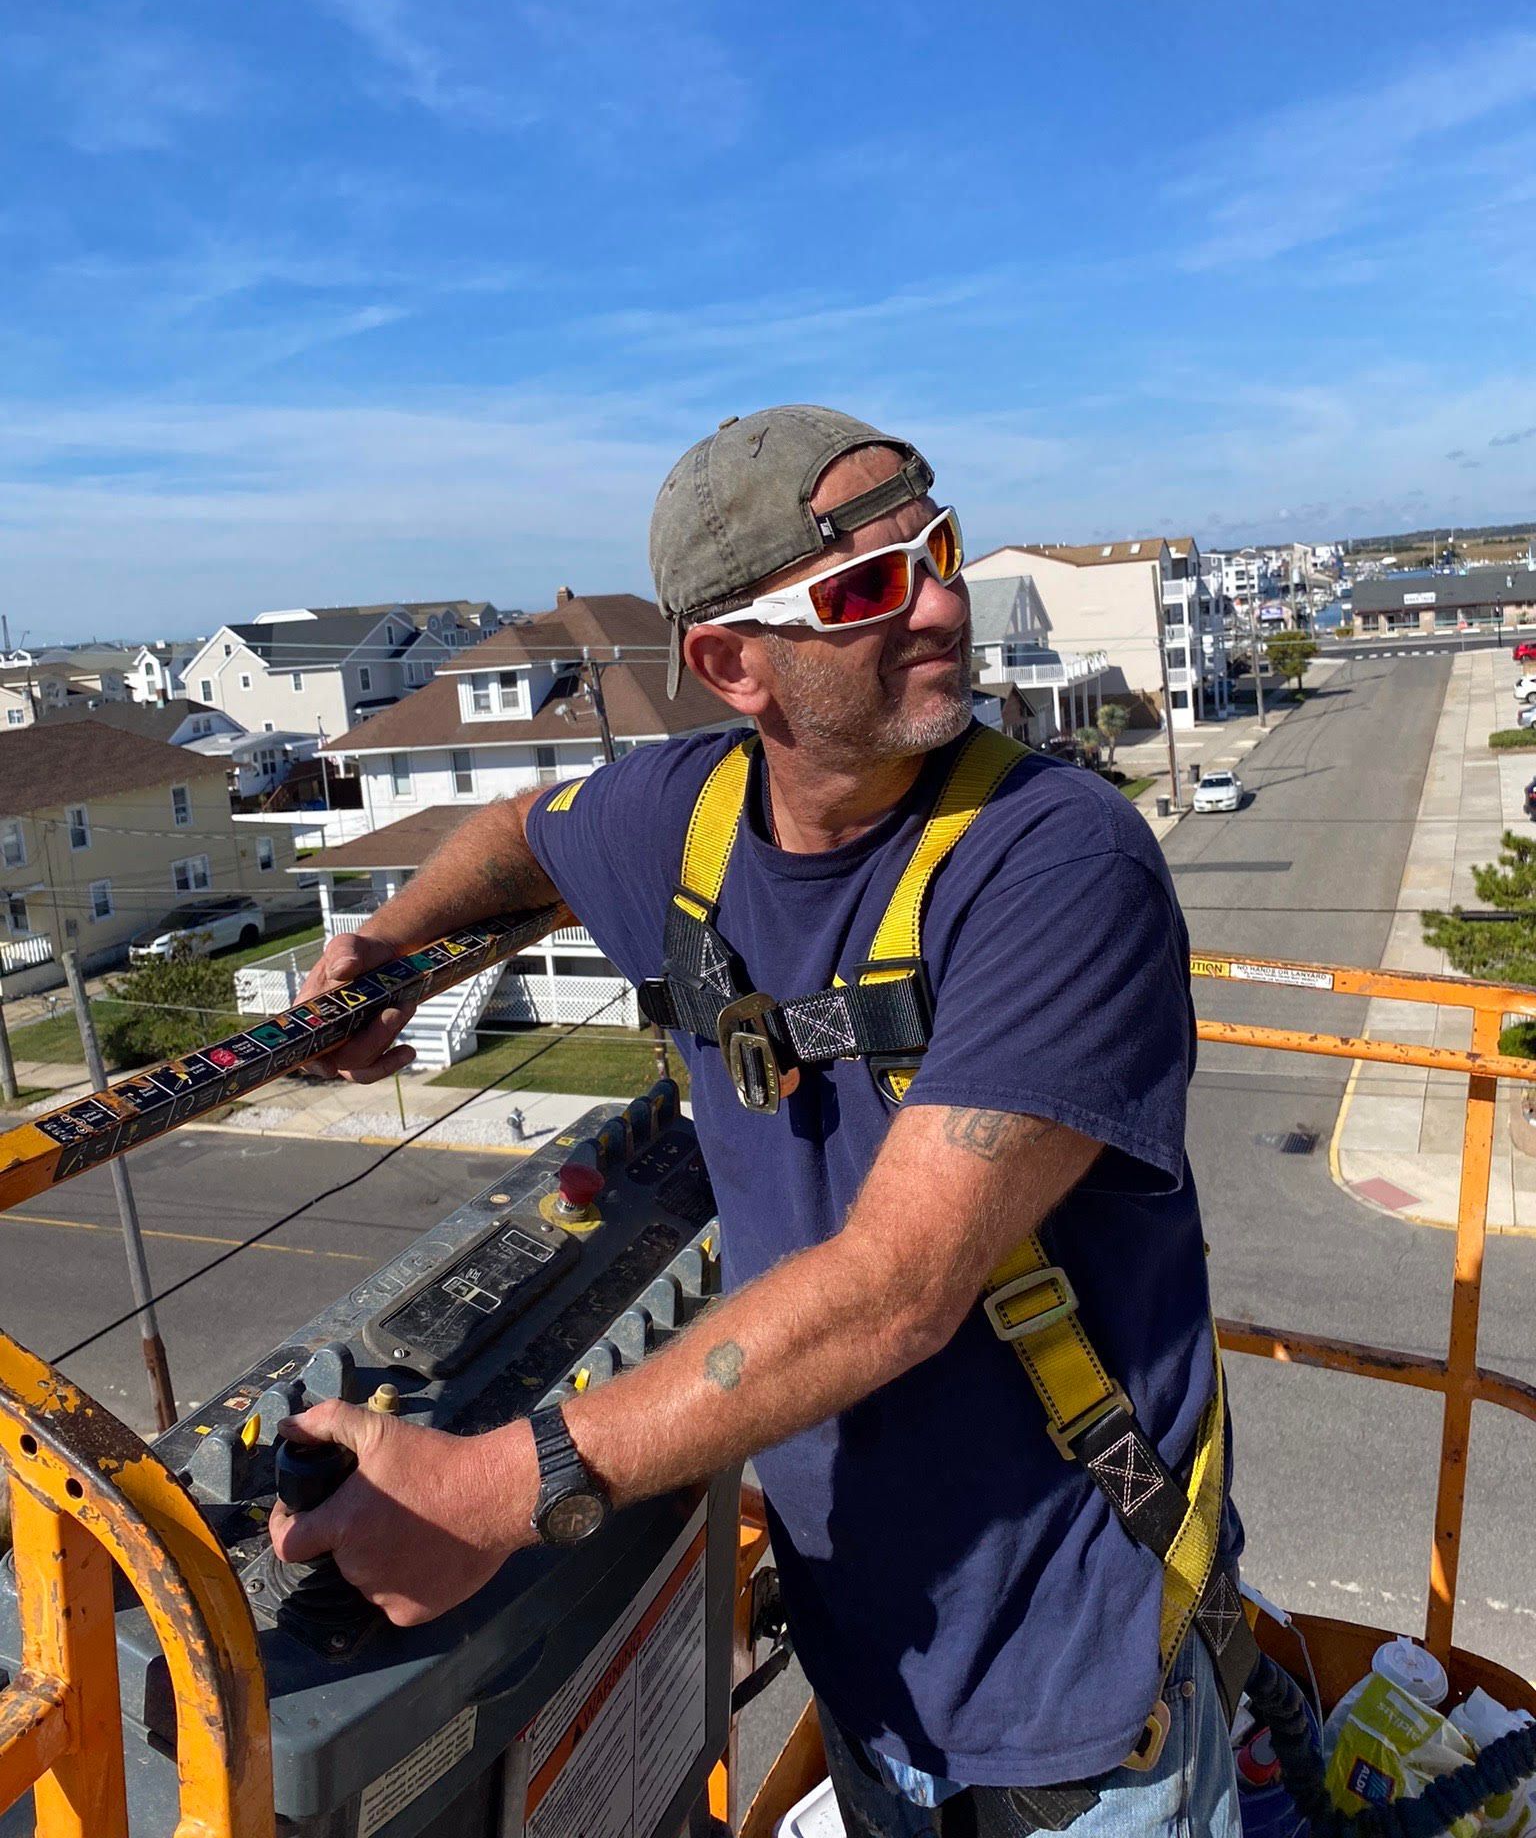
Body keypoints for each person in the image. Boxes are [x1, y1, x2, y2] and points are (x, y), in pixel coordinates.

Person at [271, 406, 1244, 1837]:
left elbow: (898, 1290)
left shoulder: (1059, 863)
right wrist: (380, 954)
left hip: (1073, 1692)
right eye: (865, 591)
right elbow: (524, 830)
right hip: (869, 1648)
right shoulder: (690, 817)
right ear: (734, 667)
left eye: (940, 549)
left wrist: (501, 1489)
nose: (941, 605)